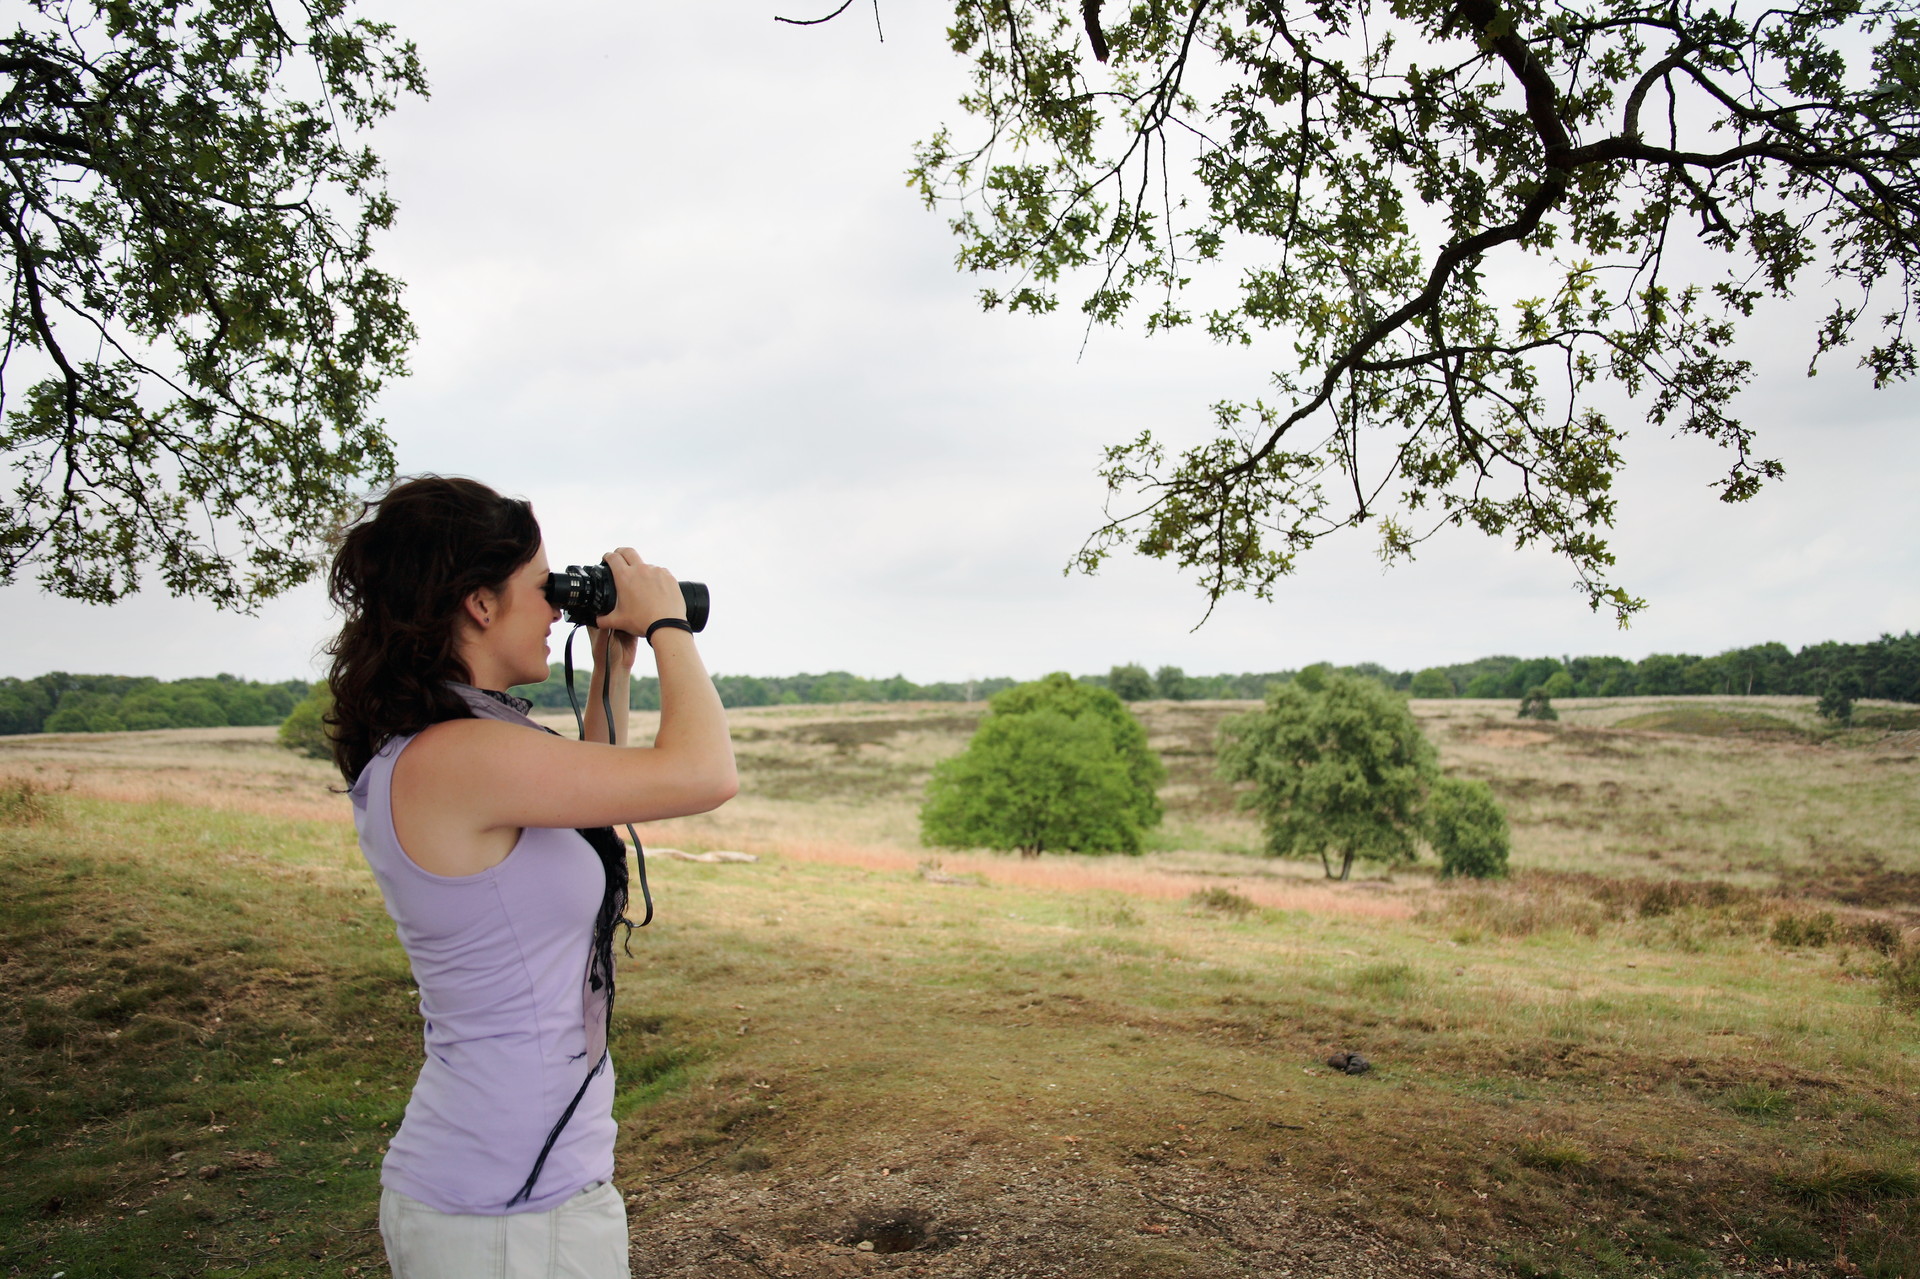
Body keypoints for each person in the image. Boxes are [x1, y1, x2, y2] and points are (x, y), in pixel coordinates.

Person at [324, 475, 736, 1279]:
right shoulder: (459, 754)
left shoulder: (450, 742)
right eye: (542, 587)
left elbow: (595, 801)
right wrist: (665, 625)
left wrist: (614, 662)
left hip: (508, 1194)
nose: (557, 608)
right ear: (480, 602)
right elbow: (705, 771)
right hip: (509, 1217)